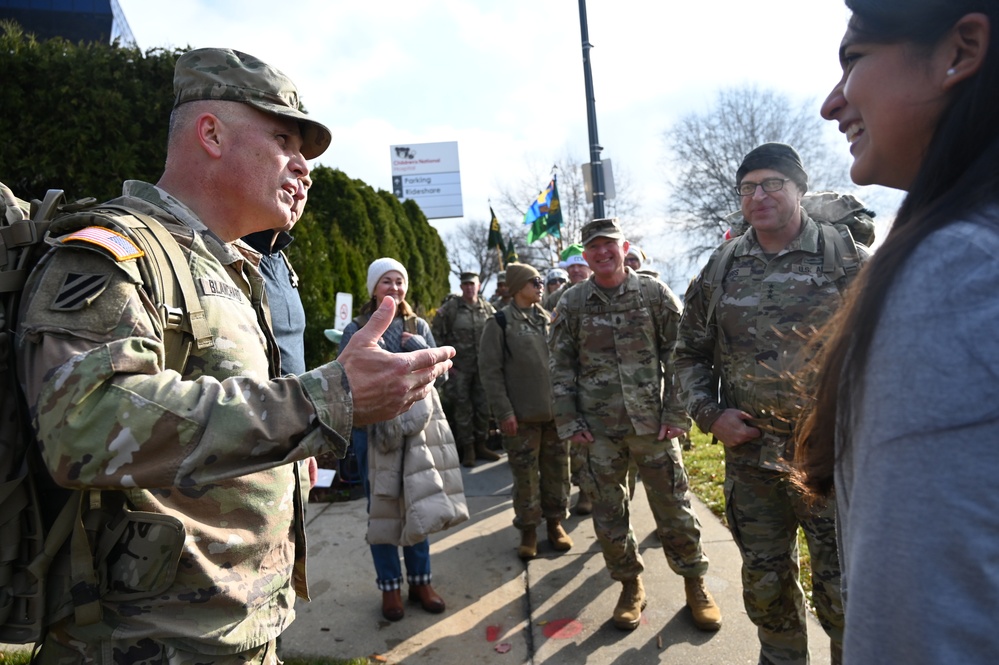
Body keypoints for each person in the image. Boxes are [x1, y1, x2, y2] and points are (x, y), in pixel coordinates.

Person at [14, 48, 454, 662]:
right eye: (283, 139)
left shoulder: (235, 271)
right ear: (211, 134)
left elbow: (235, 411)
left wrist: (288, 450)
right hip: (141, 643)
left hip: (233, 630)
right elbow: (82, 423)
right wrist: (326, 399)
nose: (304, 167)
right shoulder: (115, 254)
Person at [794, 3, 999, 663]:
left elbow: (918, 629)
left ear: (960, 50)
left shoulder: (958, 271)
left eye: (853, 59)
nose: (832, 103)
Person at [673, 143, 859, 665]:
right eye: (749, 187)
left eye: (773, 183)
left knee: (846, 593)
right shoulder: (722, 266)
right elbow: (688, 352)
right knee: (766, 590)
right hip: (753, 465)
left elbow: (891, 353)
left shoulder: (845, 260)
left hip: (831, 463)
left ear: (799, 188)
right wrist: (711, 415)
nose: (760, 195)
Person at [548, 218, 721, 632]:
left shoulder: (653, 293)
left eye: (609, 245)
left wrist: (676, 413)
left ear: (624, 247)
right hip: (598, 431)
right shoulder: (571, 304)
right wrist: (570, 421)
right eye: (593, 248)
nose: (602, 253)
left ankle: (695, 583)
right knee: (609, 515)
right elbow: (560, 366)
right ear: (584, 256)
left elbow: (678, 355)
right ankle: (629, 585)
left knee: (676, 511)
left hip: (653, 427)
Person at [339, 258, 467, 623]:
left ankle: (421, 583)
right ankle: (390, 588)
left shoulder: (418, 325)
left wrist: (422, 347)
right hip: (373, 434)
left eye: (399, 281)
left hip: (416, 432)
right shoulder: (357, 328)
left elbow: (440, 375)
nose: (394, 288)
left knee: (417, 503)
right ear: (373, 288)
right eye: (386, 282)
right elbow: (342, 378)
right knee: (381, 511)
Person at [478, 263, 572, 560]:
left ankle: (555, 524)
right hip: (521, 419)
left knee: (558, 473)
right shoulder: (500, 323)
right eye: (535, 281)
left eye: (541, 281)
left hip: (555, 416)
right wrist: (504, 412)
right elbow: (490, 372)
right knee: (526, 478)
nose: (541, 285)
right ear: (519, 286)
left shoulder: (548, 319)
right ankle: (529, 530)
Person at [432, 271, 499, 467]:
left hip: (482, 368)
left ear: (478, 286)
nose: (469, 288)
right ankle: (468, 449)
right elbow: (437, 337)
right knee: (463, 409)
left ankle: (481, 445)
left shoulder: (488, 309)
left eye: (473, 284)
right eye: (466, 285)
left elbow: (497, 336)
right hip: (459, 369)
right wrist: (446, 365)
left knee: (483, 407)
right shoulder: (450, 309)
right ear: (461, 287)